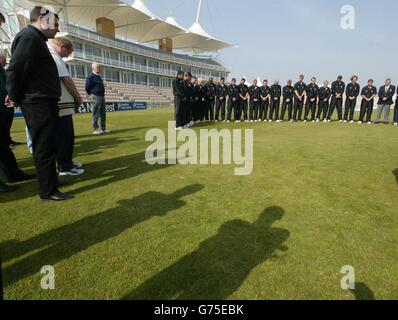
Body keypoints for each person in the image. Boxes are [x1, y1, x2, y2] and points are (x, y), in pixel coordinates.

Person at [6, 6, 71, 201]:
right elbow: (16, 68)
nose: (57, 29)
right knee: (44, 145)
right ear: (43, 19)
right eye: (56, 24)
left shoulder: (35, 39)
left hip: (42, 100)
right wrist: (13, 95)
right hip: (37, 101)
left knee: (48, 144)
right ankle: (47, 190)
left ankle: (50, 183)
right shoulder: (29, 37)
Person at [48, 37, 84, 176]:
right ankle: (65, 166)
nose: (66, 56)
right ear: (62, 46)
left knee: (64, 136)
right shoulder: (54, 57)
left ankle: (66, 163)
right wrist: (77, 96)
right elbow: (66, 79)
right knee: (65, 136)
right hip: (61, 105)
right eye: (67, 53)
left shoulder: (52, 56)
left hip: (60, 104)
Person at [86, 62, 110, 135]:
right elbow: (87, 87)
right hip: (95, 96)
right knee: (96, 113)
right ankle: (95, 129)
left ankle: (103, 128)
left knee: (103, 113)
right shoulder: (90, 76)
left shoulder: (99, 77)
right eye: (98, 67)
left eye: (99, 67)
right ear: (93, 68)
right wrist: (92, 94)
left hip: (102, 96)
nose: (99, 68)